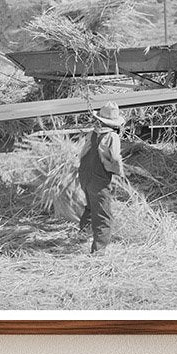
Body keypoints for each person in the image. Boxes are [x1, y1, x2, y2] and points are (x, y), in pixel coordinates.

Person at [77, 101, 125, 254]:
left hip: (84, 175)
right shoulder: (112, 137)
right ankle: (98, 251)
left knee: (91, 206)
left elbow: (82, 154)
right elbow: (115, 160)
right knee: (104, 216)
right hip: (98, 178)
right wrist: (120, 174)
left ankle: (82, 235)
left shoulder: (92, 134)